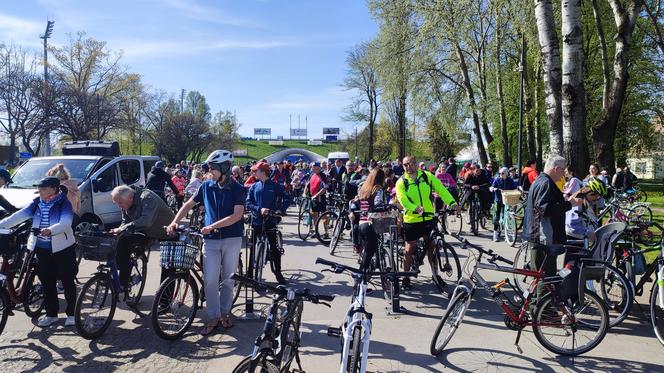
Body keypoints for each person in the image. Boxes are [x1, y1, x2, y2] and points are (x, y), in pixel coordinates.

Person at [167, 150, 244, 336]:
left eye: (213, 168)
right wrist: (175, 220)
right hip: (210, 240)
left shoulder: (237, 189)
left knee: (228, 279)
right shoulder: (206, 186)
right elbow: (188, 205)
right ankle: (213, 316)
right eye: (209, 168)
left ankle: (225, 313)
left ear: (224, 168)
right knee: (209, 279)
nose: (210, 171)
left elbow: (237, 215)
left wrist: (213, 226)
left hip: (232, 238)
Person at [0, 177, 77, 327]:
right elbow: (18, 216)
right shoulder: (37, 202)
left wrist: (51, 230)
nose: (40, 192)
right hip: (41, 248)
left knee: (67, 280)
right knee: (47, 281)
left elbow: (66, 222)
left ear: (53, 189)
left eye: (43, 189)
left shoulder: (64, 203)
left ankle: (72, 314)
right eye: (40, 189)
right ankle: (51, 314)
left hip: (62, 248)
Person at [522, 156, 583, 303]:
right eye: (563, 171)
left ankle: (536, 308)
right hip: (543, 237)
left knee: (541, 276)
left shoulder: (541, 181)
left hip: (539, 235)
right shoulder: (546, 183)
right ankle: (542, 311)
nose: (564, 174)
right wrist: (570, 204)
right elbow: (545, 209)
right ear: (556, 169)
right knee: (545, 277)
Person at [395, 156, 457, 290]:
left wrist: (451, 202)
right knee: (409, 249)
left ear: (415, 164)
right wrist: (414, 208)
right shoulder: (401, 182)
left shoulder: (427, 176)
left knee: (432, 248)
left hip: (428, 218)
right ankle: (406, 277)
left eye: (410, 163)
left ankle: (435, 275)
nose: (408, 166)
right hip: (412, 219)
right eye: (405, 165)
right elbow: (402, 199)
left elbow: (440, 189)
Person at [110, 185, 175, 297]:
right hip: (147, 232)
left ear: (130, 198)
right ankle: (124, 281)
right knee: (122, 241)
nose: (118, 205)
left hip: (167, 232)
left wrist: (123, 228)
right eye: (117, 203)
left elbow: (146, 221)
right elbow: (125, 221)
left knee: (168, 267)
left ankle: (164, 302)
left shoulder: (147, 198)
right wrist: (118, 231)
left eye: (120, 202)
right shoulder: (126, 203)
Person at [246, 161, 290, 284]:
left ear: (263, 172)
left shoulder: (275, 186)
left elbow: (287, 197)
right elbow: (248, 203)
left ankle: (278, 273)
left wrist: (281, 209)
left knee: (274, 248)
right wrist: (258, 209)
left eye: (256, 171)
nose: (253, 173)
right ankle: (249, 273)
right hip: (256, 220)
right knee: (252, 247)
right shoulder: (254, 186)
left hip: (270, 220)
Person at [351, 168, 387, 270]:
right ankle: (360, 278)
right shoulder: (378, 189)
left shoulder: (364, 188)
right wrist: (385, 207)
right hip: (371, 223)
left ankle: (367, 272)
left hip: (362, 222)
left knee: (368, 250)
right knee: (368, 253)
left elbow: (354, 202)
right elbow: (378, 204)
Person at [489, 167, 517, 241]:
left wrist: (517, 189)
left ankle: (507, 233)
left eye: (502, 173)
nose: (500, 175)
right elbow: (492, 187)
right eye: (500, 173)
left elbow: (514, 187)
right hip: (498, 200)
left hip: (507, 200)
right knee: (496, 217)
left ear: (507, 173)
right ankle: (495, 234)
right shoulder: (497, 179)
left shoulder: (510, 180)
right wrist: (494, 189)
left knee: (508, 214)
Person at [304, 162, 329, 238]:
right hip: (313, 199)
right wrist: (304, 193)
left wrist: (316, 195)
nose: (313, 169)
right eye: (312, 167)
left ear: (318, 168)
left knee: (323, 215)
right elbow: (307, 186)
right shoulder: (312, 175)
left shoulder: (322, 175)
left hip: (320, 198)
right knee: (314, 214)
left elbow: (325, 188)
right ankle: (316, 231)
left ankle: (326, 232)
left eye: (314, 167)